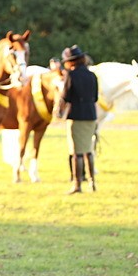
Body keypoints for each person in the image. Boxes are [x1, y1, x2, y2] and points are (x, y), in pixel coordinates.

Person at [57, 45, 99, 194]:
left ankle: (77, 184)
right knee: (88, 150)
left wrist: (59, 110)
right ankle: (92, 183)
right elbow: (95, 97)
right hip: (91, 115)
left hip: (76, 115)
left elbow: (66, 96)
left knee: (77, 152)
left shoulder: (71, 75)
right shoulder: (92, 75)